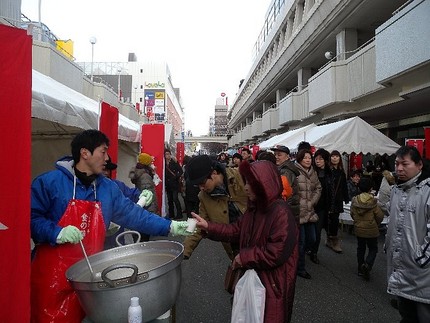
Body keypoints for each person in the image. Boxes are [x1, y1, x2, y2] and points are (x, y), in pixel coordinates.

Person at [30, 129, 192, 322]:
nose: (107, 158)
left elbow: (136, 216)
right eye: (103, 151)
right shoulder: (49, 183)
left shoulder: (107, 188)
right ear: (85, 153)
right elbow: (31, 219)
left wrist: (170, 226)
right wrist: (56, 232)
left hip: (91, 278)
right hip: (52, 279)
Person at [192, 160, 299, 322]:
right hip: (256, 276)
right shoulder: (254, 209)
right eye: (246, 181)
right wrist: (209, 226)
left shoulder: (281, 213)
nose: (246, 187)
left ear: (264, 184)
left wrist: (244, 257)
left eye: (251, 183)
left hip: (273, 283)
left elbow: (275, 253)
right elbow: (236, 230)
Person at [385, 146, 430, 322]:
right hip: (400, 265)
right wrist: (387, 245)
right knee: (406, 313)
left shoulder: (427, 190)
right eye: (397, 164)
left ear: (419, 165)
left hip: (423, 271)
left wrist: (423, 257)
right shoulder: (397, 189)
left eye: (405, 164)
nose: (399, 168)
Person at [183, 154, 248, 260]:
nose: (201, 188)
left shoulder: (241, 177)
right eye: (197, 186)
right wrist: (184, 251)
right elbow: (199, 225)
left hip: (260, 244)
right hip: (235, 250)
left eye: (202, 183)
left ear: (214, 173)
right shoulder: (203, 197)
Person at [295, 149, 322, 279]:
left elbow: (318, 188)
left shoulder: (313, 172)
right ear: (300, 159)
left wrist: (313, 201)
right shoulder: (294, 171)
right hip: (299, 212)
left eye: (309, 158)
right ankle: (300, 268)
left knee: (312, 239)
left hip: (310, 210)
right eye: (305, 158)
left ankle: (297, 257)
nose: (308, 160)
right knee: (301, 241)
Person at [350, 177, 384, 281]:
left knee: (361, 248)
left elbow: (352, 214)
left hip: (359, 228)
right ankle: (368, 264)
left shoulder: (355, 200)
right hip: (371, 229)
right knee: (373, 248)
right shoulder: (373, 201)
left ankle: (360, 268)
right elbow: (379, 216)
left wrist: (357, 222)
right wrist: (375, 224)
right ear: (371, 188)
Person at [309, 148, 331, 264]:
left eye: (321, 159)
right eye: (316, 158)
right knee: (309, 232)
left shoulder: (329, 173)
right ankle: (308, 249)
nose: (318, 161)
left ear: (325, 160)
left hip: (322, 207)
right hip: (311, 205)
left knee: (317, 232)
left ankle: (314, 252)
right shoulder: (311, 172)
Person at [325, 150, 349, 253]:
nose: (335, 158)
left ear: (339, 158)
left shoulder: (341, 172)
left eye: (337, 156)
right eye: (333, 156)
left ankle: (334, 241)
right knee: (327, 220)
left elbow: (344, 186)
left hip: (337, 199)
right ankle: (329, 239)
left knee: (335, 220)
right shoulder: (327, 170)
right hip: (328, 199)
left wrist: (346, 197)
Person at [271, 145, 300, 221]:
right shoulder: (280, 169)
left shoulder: (285, 171)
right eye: (275, 154)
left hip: (287, 210)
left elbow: (283, 193)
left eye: (279, 155)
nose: (276, 157)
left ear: (287, 157)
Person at [164, 148, 183, 219]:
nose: (167, 156)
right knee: (170, 200)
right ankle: (171, 214)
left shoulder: (174, 161)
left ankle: (179, 214)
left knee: (175, 199)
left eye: (168, 154)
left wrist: (176, 177)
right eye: (166, 154)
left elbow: (180, 171)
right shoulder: (163, 163)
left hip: (174, 184)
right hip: (167, 185)